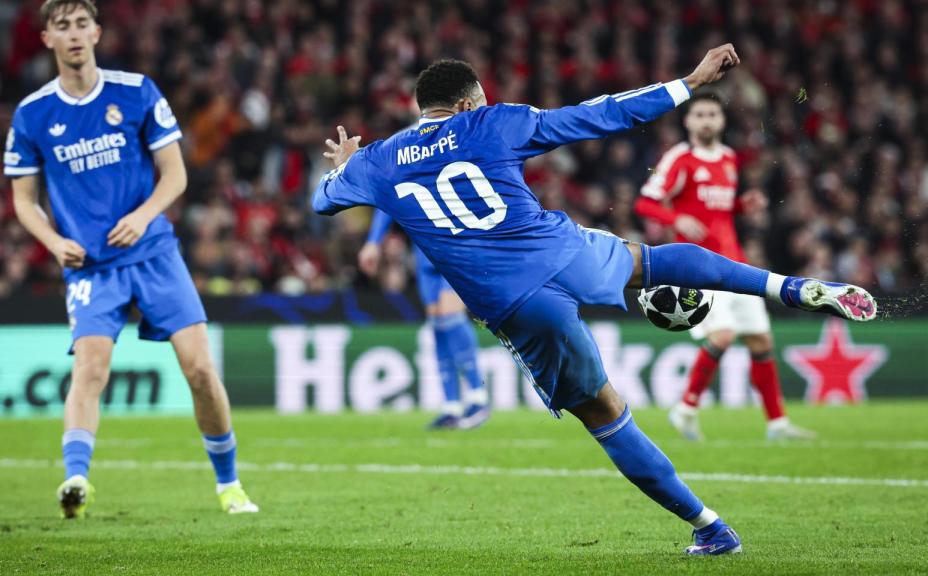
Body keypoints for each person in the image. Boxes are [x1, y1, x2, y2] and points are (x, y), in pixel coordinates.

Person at [311, 46, 876, 555]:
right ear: (465, 106)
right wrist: (689, 82)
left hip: (514, 303)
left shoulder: (377, 160)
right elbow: (601, 112)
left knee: (606, 414)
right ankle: (790, 287)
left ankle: (710, 527)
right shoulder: (494, 123)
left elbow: (321, 202)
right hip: (559, 249)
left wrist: (344, 168)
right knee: (651, 261)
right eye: (482, 101)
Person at [5, 0, 257, 518]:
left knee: (201, 371)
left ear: (96, 32)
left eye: (81, 24)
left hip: (154, 252)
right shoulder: (32, 114)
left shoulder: (136, 91)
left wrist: (143, 217)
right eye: (62, 27)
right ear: (47, 39)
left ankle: (230, 486)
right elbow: (23, 200)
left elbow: (175, 175)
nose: (74, 34)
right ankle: (76, 479)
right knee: (90, 370)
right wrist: (53, 243)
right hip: (91, 265)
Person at [635, 94, 815, 441]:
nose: (706, 120)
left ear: (722, 120)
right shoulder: (679, 158)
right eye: (699, 114)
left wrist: (739, 205)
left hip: (735, 265)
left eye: (712, 114)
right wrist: (677, 218)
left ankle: (777, 424)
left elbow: (716, 210)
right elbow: (645, 202)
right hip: (699, 271)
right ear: (687, 122)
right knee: (724, 335)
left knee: (761, 340)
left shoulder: (730, 159)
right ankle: (685, 409)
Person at [360, 209, 490, 429]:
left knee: (451, 315)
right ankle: (452, 408)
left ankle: (478, 396)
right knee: (438, 323)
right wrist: (373, 241)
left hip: (455, 242)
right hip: (423, 251)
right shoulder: (397, 173)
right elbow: (384, 197)